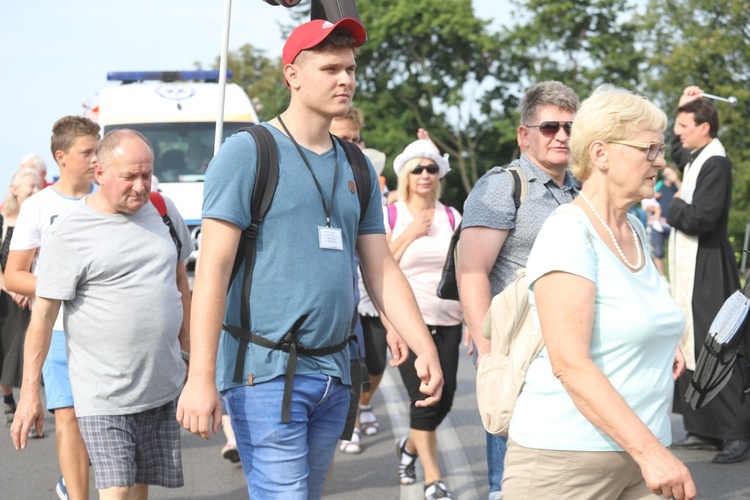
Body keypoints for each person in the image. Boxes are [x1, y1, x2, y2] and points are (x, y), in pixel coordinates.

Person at [176, 18, 444, 500]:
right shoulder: (248, 153)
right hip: (264, 371)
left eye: (350, 68)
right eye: (330, 68)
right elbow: (211, 269)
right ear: (292, 75)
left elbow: (380, 264)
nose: (345, 79)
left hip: (335, 373)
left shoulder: (356, 163)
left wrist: (422, 343)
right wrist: (200, 377)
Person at [502, 85, 696, 499]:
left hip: (642, 452)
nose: (660, 161)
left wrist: (661, 343)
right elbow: (569, 363)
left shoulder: (636, 229)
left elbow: (630, 317)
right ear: (601, 153)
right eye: (649, 149)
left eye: (660, 150)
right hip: (567, 462)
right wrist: (652, 454)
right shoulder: (568, 231)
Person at [11, 129, 194, 499]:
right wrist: (30, 392)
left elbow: (181, 286)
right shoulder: (69, 233)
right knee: (119, 491)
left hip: (160, 384)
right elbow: (43, 317)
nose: (141, 187)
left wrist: (195, 363)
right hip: (102, 393)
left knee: (139, 489)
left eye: (147, 174)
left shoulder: (163, 211)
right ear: (100, 173)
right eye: (129, 177)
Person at [456, 80, 579, 500]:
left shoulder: (582, 192)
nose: (561, 135)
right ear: (524, 135)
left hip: (573, 352)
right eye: (550, 127)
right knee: (510, 477)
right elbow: (471, 270)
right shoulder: (502, 186)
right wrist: (488, 350)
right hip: (517, 350)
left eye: (569, 127)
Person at [5, 115, 100, 500]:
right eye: (87, 152)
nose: (97, 159)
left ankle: (74, 478)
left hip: (108, 332)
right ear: (61, 157)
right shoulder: (38, 206)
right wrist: (61, 288)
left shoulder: (109, 197)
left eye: (98, 150)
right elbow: (14, 275)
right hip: (59, 330)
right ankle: (76, 493)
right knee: (69, 416)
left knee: (102, 423)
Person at [667, 86, 750, 463]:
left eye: (684, 124)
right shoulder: (697, 157)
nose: (678, 130)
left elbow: (702, 218)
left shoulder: (717, 162)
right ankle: (703, 429)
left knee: (719, 345)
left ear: (705, 127)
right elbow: (676, 150)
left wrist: (672, 206)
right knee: (692, 341)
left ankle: (737, 433)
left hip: (711, 267)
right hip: (695, 267)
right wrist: (684, 101)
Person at [385, 138, 462, 499]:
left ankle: (410, 448)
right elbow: (379, 267)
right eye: (417, 168)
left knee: (445, 398)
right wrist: (411, 233)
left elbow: (463, 270)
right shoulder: (392, 215)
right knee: (424, 397)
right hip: (410, 323)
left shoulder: (452, 216)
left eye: (432, 168)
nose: (425, 175)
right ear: (405, 175)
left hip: (449, 319)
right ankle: (433, 478)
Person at [1, 168, 42, 425]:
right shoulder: (3, 220)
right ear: (15, 189)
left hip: (34, 295)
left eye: (39, 186)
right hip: (6, 299)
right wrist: (14, 288)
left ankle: (32, 404)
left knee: (28, 350)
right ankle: (8, 398)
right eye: (31, 186)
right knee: (7, 350)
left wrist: (28, 289)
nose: (36, 190)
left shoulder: (40, 217)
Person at [645, 164, 681, 278]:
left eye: (669, 174)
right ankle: (662, 277)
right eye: (665, 174)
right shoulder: (659, 185)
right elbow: (649, 197)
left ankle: (676, 276)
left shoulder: (678, 187)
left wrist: (677, 181)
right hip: (658, 223)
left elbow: (687, 194)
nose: (667, 176)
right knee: (659, 251)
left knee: (675, 253)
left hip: (674, 225)